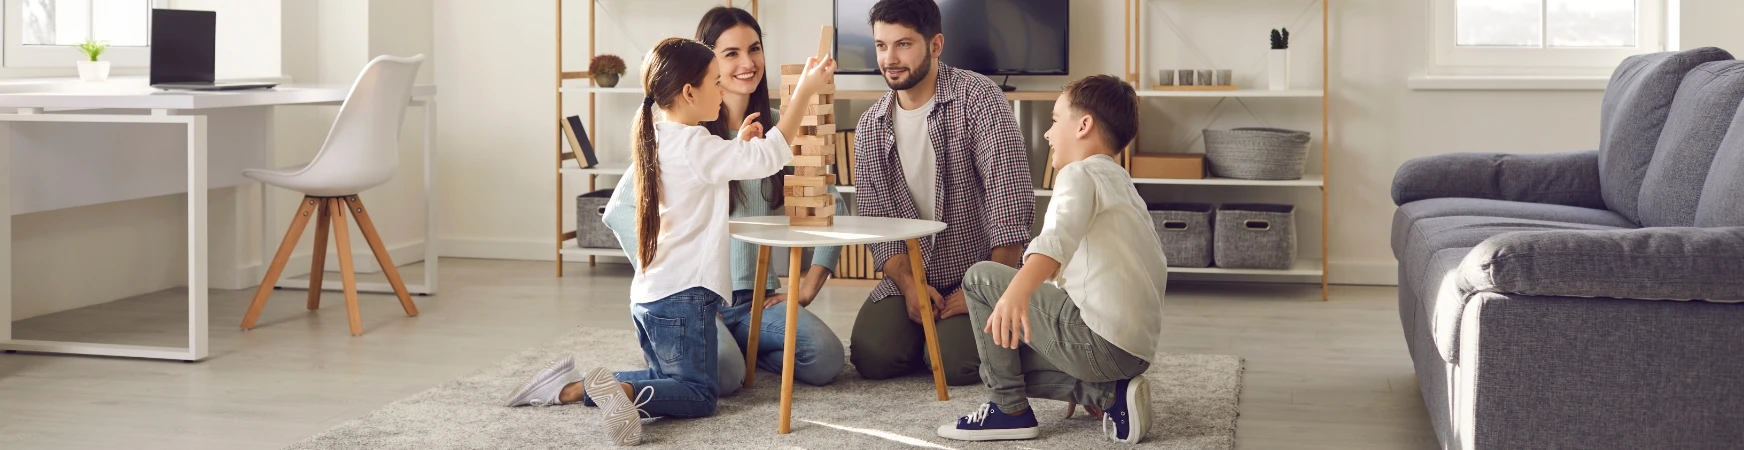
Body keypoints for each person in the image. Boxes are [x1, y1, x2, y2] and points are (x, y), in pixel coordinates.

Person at [500, 37, 836, 446]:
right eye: (716, 82)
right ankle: (608, 391)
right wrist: (804, 89)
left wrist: (736, 147)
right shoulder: (698, 144)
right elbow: (772, 155)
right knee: (699, 393)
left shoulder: (658, 137)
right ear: (689, 92)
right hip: (684, 300)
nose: (722, 90)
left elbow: (702, 174)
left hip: (649, 297)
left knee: (668, 381)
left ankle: (565, 388)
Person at [604, 6, 849, 397]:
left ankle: (739, 351)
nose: (747, 63)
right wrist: (673, 285)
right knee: (721, 377)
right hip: (698, 297)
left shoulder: (761, 129)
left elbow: (829, 197)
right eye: (730, 54)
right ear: (701, 70)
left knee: (824, 357)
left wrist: (808, 284)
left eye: (754, 49)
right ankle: (707, 356)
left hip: (758, 301)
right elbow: (620, 210)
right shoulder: (689, 138)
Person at [934, 75, 1166, 444]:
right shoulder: (1121, 181)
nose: (1047, 133)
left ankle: (1007, 411)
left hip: (1100, 342)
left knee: (980, 278)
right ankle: (1109, 395)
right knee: (1000, 360)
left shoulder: (1079, 173)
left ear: (1084, 125)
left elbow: (1053, 242)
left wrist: (1013, 292)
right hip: (1132, 352)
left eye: (1055, 120)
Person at [848, 0, 1036, 386]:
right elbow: (876, 223)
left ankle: (1007, 329)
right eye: (881, 46)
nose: (890, 59)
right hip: (914, 275)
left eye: (903, 44)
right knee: (872, 357)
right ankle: (926, 335)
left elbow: (1010, 200)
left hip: (981, 271)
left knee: (957, 365)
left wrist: (987, 291)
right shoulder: (870, 125)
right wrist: (910, 286)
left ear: (935, 45)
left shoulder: (978, 98)